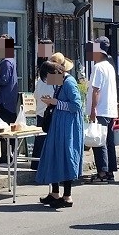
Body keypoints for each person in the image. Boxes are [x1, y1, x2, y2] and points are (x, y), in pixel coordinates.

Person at [35, 57, 84, 208]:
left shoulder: (69, 82)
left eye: (48, 78)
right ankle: (55, 193)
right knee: (54, 155)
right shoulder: (61, 82)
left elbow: (76, 105)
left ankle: (67, 196)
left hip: (68, 126)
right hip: (59, 124)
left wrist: (55, 102)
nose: (48, 81)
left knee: (65, 156)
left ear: (55, 73)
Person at [86, 35, 118, 182]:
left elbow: (96, 90)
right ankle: (110, 171)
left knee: (99, 142)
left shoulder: (98, 67)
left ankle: (102, 173)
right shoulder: (110, 66)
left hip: (101, 109)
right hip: (110, 109)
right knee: (108, 142)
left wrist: (93, 110)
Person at [0, 34, 18, 163]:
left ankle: (6, 155)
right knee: (9, 127)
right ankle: (9, 154)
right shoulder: (11, 60)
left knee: (4, 128)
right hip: (10, 99)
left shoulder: (6, 62)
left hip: (4, 99)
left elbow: (3, 80)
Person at [30, 58, 57, 169]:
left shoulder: (39, 81)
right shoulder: (56, 79)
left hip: (40, 112)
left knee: (39, 140)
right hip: (50, 113)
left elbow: (35, 96)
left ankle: (36, 164)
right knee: (50, 140)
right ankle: (48, 165)